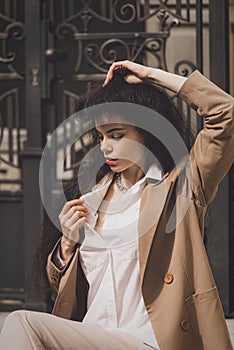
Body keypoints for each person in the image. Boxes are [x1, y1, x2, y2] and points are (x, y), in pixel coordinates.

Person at [0, 60, 233, 350]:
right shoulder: (89, 199)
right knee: (20, 323)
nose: (105, 147)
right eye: (100, 136)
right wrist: (67, 246)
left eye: (117, 134)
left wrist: (151, 76)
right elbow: (62, 288)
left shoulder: (181, 189)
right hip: (94, 336)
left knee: (21, 322)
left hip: (150, 340)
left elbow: (225, 113)